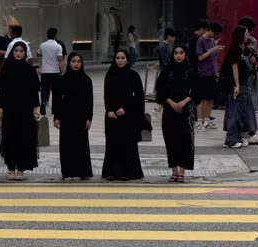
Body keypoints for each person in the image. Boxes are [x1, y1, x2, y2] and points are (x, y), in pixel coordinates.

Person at [102, 50, 151, 181]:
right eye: (117, 58)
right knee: (113, 144)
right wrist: (109, 110)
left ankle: (128, 171)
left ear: (127, 60)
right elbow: (107, 95)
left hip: (128, 116)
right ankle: (112, 171)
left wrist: (126, 109)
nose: (120, 60)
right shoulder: (110, 75)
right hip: (113, 116)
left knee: (127, 145)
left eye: (123, 58)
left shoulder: (133, 75)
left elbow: (139, 97)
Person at [0, 42, 40, 181]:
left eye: (21, 51)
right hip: (10, 109)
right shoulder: (6, 69)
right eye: (16, 50)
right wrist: (0, 108)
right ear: (12, 52)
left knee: (24, 137)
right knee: (10, 136)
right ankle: (11, 167)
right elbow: (2, 91)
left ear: (25, 53)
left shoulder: (30, 70)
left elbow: (34, 91)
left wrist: (35, 108)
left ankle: (20, 168)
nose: (18, 53)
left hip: (25, 109)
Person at [156, 44, 196, 183]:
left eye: (181, 53)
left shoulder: (190, 70)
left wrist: (184, 101)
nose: (178, 55)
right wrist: (171, 102)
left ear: (185, 55)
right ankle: (173, 170)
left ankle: (182, 171)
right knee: (171, 139)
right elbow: (160, 90)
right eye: (176, 53)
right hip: (169, 109)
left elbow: (197, 90)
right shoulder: (167, 70)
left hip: (186, 109)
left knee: (185, 140)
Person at [53, 52, 93, 181]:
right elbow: (57, 100)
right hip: (66, 116)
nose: (76, 64)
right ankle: (67, 172)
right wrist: (57, 117)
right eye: (73, 61)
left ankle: (80, 172)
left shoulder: (86, 80)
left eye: (78, 61)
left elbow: (89, 101)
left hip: (81, 116)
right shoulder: (62, 80)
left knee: (80, 144)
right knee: (66, 145)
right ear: (69, 63)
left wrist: (89, 117)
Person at [222, 26, 258, 148]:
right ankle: (230, 139)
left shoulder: (241, 49)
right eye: (246, 33)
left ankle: (237, 137)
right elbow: (234, 67)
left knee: (240, 112)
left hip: (243, 84)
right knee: (235, 112)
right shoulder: (235, 48)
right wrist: (237, 85)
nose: (248, 36)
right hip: (237, 85)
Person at [195, 21, 223, 130]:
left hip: (212, 72)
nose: (215, 36)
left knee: (211, 98)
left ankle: (206, 120)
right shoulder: (200, 41)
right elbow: (200, 57)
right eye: (215, 33)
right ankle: (199, 120)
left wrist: (217, 49)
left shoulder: (212, 41)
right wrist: (212, 49)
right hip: (204, 73)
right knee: (203, 98)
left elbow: (213, 56)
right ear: (210, 30)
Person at [37, 27, 64, 116]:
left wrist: (41, 65)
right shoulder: (58, 46)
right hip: (55, 71)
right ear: (55, 35)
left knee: (44, 89)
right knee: (56, 90)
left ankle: (43, 102)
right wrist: (62, 72)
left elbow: (38, 54)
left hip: (45, 71)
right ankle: (54, 109)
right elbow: (60, 60)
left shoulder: (42, 45)